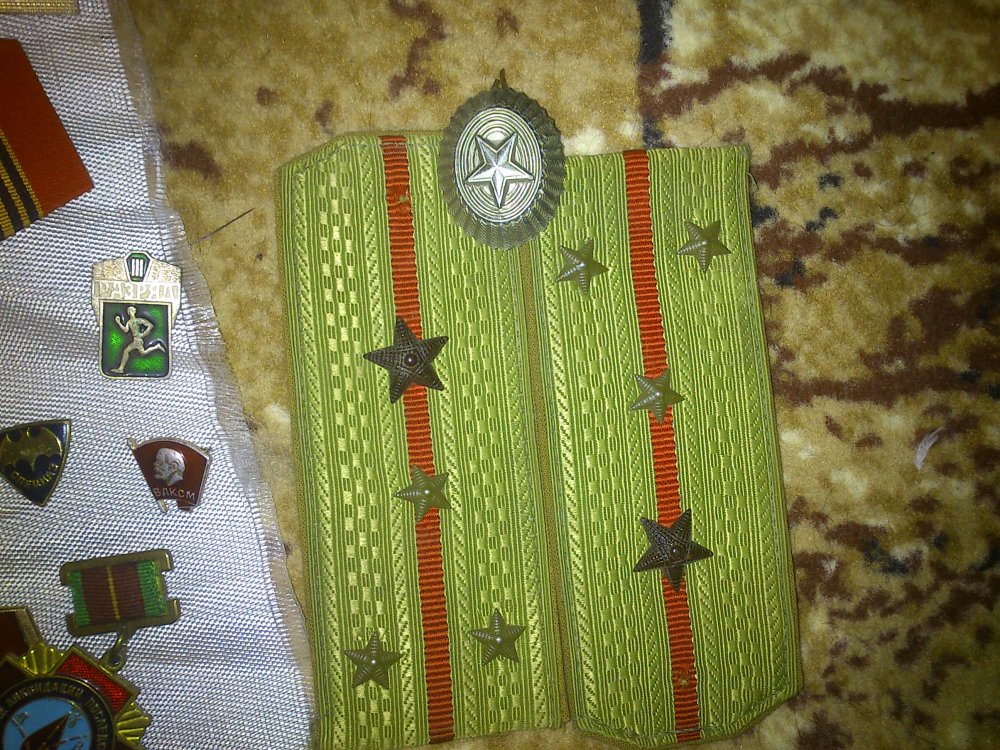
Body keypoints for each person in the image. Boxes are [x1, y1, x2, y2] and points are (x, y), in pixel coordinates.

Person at [110, 306, 165, 374]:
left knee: (132, 351)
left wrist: (143, 334)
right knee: (138, 352)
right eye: (128, 311)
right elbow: (125, 330)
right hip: (135, 340)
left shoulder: (138, 320)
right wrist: (119, 323)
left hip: (138, 340)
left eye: (130, 310)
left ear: (133, 311)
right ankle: (157, 346)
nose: (129, 312)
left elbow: (150, 325)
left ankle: (157, 346)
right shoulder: (129, 322)